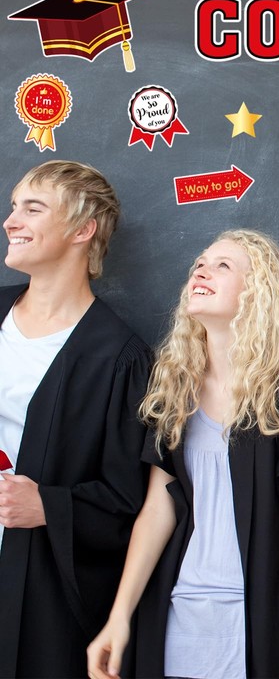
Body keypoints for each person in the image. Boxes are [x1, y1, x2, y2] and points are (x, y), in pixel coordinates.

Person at [87, 229, 279, 679]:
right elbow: (157, 510)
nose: (201, 270)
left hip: (258, 626)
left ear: (259, 292)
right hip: (178, 621)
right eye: (200, 263)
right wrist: (119, 618)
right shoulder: (176, 392)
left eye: (223, 266)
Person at [0, 160, 151, 678]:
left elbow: (128, 500)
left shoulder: (118, 357)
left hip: (33, 595)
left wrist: (49, 506)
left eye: (32, 208)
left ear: (82, 230)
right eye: (14, 207)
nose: (11, 221)